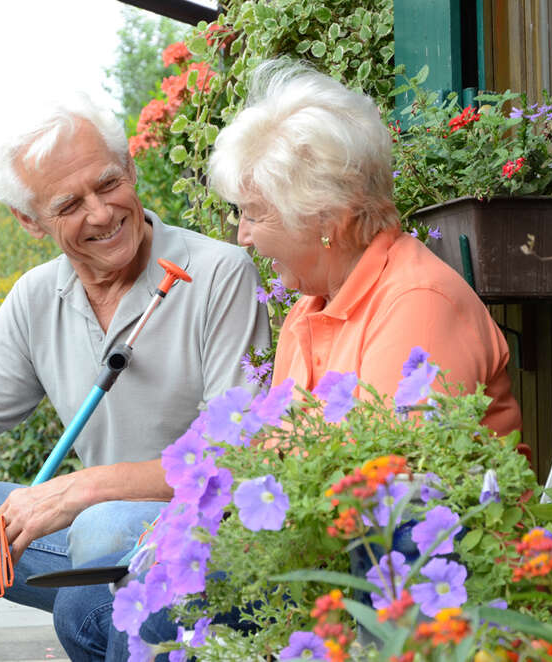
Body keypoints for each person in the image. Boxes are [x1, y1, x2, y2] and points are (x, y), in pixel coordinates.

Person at [55, 59, 523, 661]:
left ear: (324, 219)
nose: (242, 235)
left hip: (406, 578)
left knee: (135, 618)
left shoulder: (416, 303)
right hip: (317, 552)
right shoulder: (312, 305)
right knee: (85, 604)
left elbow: (384, 493)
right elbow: (275, 450)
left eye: (254, 212)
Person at [0, 93, 271, 661]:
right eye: (69, 204)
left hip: (204, 542)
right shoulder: (35, 298)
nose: (101, 213)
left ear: (130, 168)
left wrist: (81, 489)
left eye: (108, 184)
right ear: (30, 221)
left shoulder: (219, 274)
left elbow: (236, 459)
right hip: (89, 544)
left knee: (102, 528)